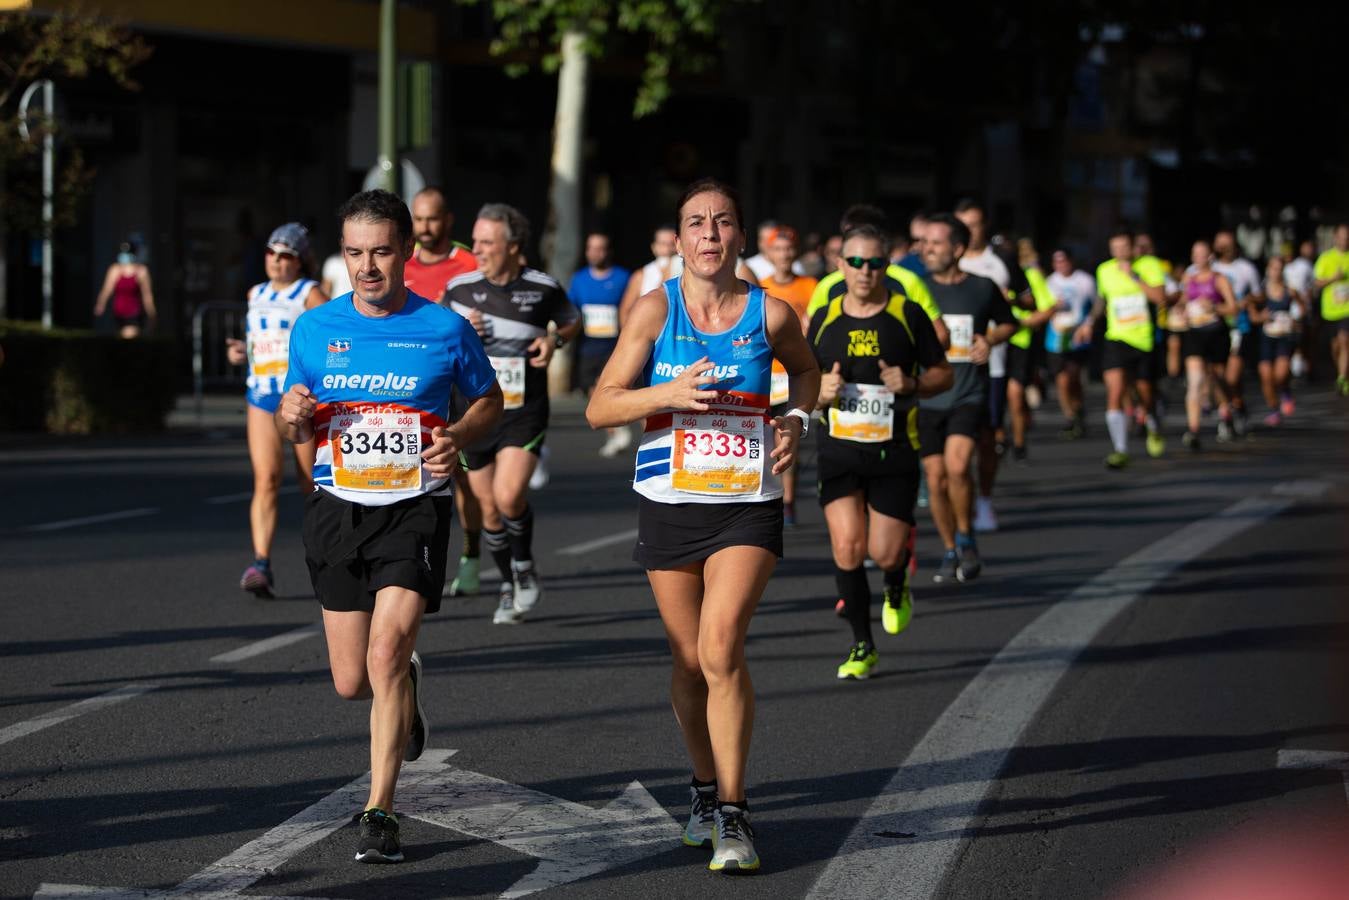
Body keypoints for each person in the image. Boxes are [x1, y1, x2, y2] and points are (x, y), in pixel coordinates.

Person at [585, 177, 819, 874]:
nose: (709, 235)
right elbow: (600, 407)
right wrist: (667, 392)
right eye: (696, 223)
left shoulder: (769, 315)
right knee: (688, 661)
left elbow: (805, 373)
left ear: (738, 237)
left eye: (721, 223)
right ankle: (701, 788)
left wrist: (796, 420)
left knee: (720, 649)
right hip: (669, 498)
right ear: (680, 238)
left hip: (745, 501)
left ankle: (735, 816)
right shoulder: (656, 312)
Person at [275, 189, 503, 864]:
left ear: (406, 250)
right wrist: (293, 416)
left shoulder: (444, 328)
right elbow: (300, 415)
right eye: (353, 253)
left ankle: (380, 811)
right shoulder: (314, 328)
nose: (366, 267)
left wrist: (457, 435)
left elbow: (488, 402)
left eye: (379, 251)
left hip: (414, 507)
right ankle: (404, 687)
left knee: (383, 655)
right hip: (338, 507)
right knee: (352, 680)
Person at [809, 224, 950, 679]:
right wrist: (820, 392)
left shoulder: (908, 315)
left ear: (886, 266)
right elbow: (802, 385)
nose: (864, 272)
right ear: (840, 265)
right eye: (855, 262)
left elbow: (943, 375)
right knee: (848, 547)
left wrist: (911, 384)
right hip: (838, 451)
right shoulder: (825, 317)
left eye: (874, 263)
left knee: (885, 553)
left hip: (894, 451)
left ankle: (896, 583)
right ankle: (861, 646)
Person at [444, 203, 581, 624]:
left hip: (523, 411)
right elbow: (433, 340)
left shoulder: (542, 288)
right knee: (487, 509)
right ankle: (510, 583)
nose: (478, 249)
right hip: (475, 413)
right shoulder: (459, 290)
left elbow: (572, 322)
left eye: (487, 242)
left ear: (514, 246)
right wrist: (463, 332)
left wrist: (554, 340)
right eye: (477, 240)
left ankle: (522, 563)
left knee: (507, 496)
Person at [225, 223, 329, 597]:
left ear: (299, 261)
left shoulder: (310, 293)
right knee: (266, 479)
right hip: (260, 395)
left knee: (310, 484)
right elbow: (258, 343)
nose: (276, 261)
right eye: (271, 253)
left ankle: (326, 555)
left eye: (285, 255)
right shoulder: (256, 293)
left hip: (297, 401)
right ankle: (261, 564)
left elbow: (331, 337)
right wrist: (240, 351)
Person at [918, 214, 1015, 583]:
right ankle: (950, 547)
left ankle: (966, 535)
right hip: (927, 396)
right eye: (925, 244)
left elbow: (1009, 322)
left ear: (957, 249)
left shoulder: (982, 287)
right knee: (936, 476)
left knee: (958, 467)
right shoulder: (915, 289)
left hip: (967, 391)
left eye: (936, 244)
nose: (927, 250)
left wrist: (989, 340)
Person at [402, 187, 483, 597]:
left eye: (432, 219)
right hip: (416, 381)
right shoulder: (401, 261)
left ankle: (470, 555)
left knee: (465, 478)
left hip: (461, 378)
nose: (425, 227)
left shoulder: (468, 261)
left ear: (448, 220)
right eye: (419, 219)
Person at [953, 200, 1029, 533]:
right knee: (950, 450)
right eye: (963, 224)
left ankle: (983, 499)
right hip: (946, 369)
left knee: (986, 439)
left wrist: (1003, 298)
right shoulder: (943, 261)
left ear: (985, 226)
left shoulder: (1002, 261)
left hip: (990, 367)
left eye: (975, 224)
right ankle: (957, 504)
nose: (969, 231)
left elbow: (1027, 304)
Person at [1087, 227, 1168, 468]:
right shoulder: (1104, 270)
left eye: (1124, 247)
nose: (1119, 253)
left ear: (1133, 247)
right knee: (1115, 390)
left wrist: (1134, 276)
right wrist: (1089, 322)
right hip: (1116, 338)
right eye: (1115, 249)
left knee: (1145, 392)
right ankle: (1120, 450)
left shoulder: (1149, 265)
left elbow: (1160, 298)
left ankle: (1152, 423)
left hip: (1143, 340)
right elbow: (1102, 301)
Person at [758, 225, 816, 525]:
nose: (784, 254)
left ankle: (788, 500)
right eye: (778, 249)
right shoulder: (761, 287)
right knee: (767, 437)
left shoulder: (810, 286)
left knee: (787, 434)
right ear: (768, 253)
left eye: (788, 249)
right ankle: (772, 495)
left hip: (792, 372)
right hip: (768, 375)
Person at [570, 231, 633, 456]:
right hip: (588, 346)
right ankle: (615, 433)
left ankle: (619, 431)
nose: (595, 253)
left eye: (600, 248)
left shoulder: (623, 277)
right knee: (593, 391)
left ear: (608, 251)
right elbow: (571, 310)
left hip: (616, 345)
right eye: (591, 248)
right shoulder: (579, 279)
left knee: (611, 388)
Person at [1177, 239, 1237, 450]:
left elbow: (1233, 308)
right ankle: (1193, 430)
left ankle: (1225, 409)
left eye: (1202, 253)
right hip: (1195, 333)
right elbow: (1183, 301)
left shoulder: (1219, 279)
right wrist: (1182, 311)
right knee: (1195, 382)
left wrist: (1214, 307)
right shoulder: (1189, 277)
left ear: (1210, 256)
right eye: (1195, 253)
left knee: (1215, 378)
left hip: (1216, 333)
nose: (1198, 257)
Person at [1005, 239, 1060, 462]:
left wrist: (1024, 323)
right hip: (993, 342)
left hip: (1021, 342)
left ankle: (1018, 443)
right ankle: (999, 437)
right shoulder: (986, 275)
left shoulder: (1031, 275)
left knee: (1015, 394)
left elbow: (1049, 307)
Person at [1213, 229, 1264, 436]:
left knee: (1232, 378)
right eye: (1220, 244)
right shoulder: (1210, 269)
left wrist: (1247, 301)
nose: (1223, 247)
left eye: (1227, 243)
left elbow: (1260, 296)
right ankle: (1228, 412)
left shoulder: (1246, 269)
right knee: (1217, 376)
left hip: (1238, 328)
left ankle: (1237, 408)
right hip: (1214, 329)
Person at [1044, 248, 1095, 438]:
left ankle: (1079, 407)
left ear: (1071, 261)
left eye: (1064, 261)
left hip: (1077, 339)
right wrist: (1052, 308)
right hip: (1055, 339)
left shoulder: (1085, 281)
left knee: (1074, 378)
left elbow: (1097, 304)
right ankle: (1070, 417)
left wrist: (1088, 325)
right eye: (1057, 262)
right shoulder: (1049, 282)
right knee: (1061, 380)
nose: (1061, 266)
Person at [1252, 255, 1302, 424]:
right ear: (1268, 270)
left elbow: (1302, 307)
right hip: (1266, 337)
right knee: (1266, 376)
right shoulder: (1261, 292)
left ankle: (1285, 391)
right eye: (1273, 268)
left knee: (1280, 375)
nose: (1276, 272)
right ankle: (1274, 408)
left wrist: (1296, 319)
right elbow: (1251, 313)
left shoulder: (1290, 291)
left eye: (1280, 269)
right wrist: (1260, 317)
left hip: (1284, 337)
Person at [1312, 222, 1349, 396]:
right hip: (1330, 311)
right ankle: (1342, 372)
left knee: (1345, 341)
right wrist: (1334, 279)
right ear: (1335, 237)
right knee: (1335, 347)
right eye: (1341, 237)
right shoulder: (1326, 258)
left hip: (1347, 310)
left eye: (1347, 237)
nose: (1344, 240)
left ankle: (1342, 377)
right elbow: (1316, 283)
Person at [619, 225, 684, 324]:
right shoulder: (641, 275)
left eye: (671, 244)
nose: (667, 249)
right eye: (662, 244)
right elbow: (625, 312)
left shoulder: (687, 272)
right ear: (654, 247)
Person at [94, 241, 156, 338]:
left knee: (129, 336)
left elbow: (147, 295)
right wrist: (100, 304)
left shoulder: (141, 271)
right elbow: (107, 289)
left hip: (133, 313)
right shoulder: (114, 270)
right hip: (118, 312)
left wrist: (151, 313)